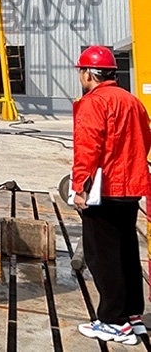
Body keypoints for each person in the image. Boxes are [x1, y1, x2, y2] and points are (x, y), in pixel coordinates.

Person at [72, 45, 151, 346]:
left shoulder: (94, 103)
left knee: (102, 256)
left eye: (81, 71)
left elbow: (87, 148)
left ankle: (114, 322)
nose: (81, 77)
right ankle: (132, 315)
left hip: (104, 191)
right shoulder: (132, 101)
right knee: (126, 250)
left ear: (89, 74)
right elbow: (144, 140)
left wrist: (80, 187)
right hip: (130, 189)